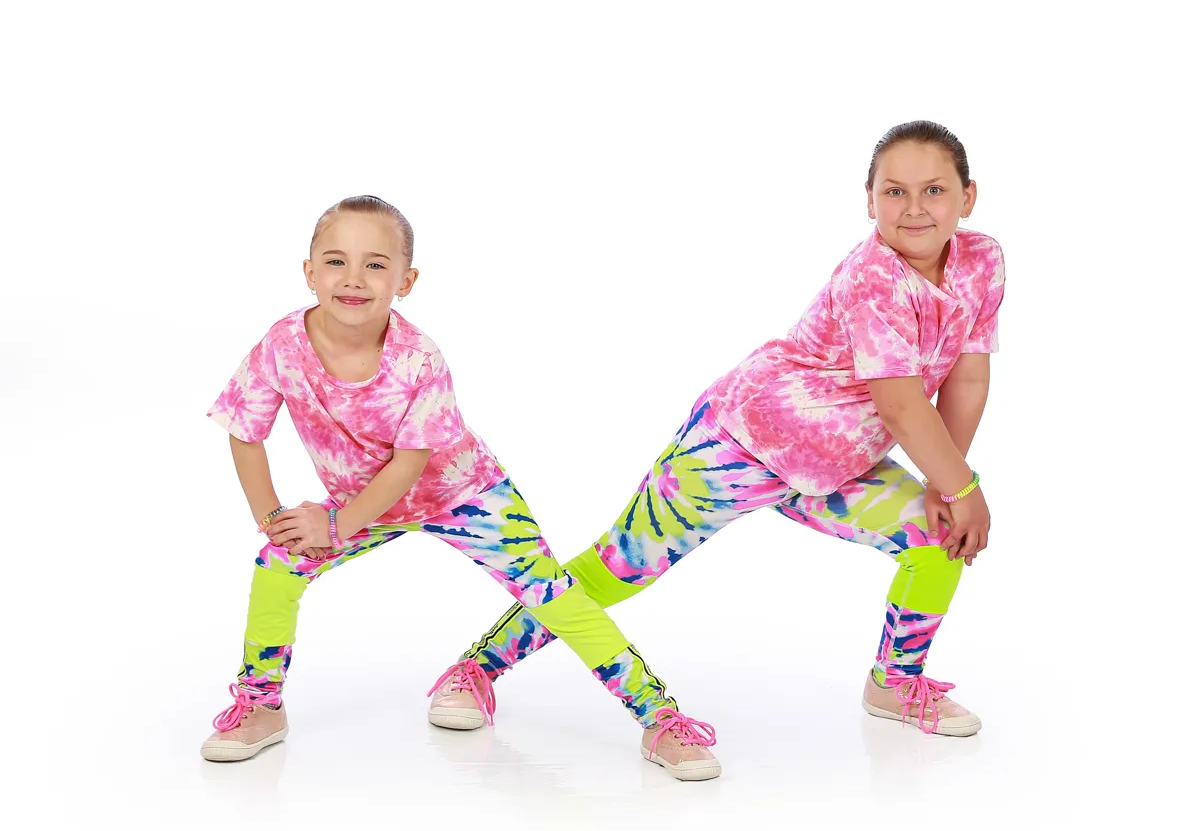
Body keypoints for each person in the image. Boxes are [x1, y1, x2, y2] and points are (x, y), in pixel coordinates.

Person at [437, 120, 1004, 741]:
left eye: (934, 191)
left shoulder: (981, 261)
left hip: (838, 465)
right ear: (868, 200)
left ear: (967, 197)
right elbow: (899, 404)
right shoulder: (875, 277)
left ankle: (894, 685)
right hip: (739, 445)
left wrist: (944, 486)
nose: (914, 208)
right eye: (894, 191)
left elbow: (967, 378)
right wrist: (961, 485)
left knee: (938, 538)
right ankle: (475, 670)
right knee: (617, 570)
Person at [199, 195, 720, 781]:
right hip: (364, 503)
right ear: (309, 272)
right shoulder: (282, 344)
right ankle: (262, 706)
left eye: (375, 264)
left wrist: (338, 525)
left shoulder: (419, 358)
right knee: (277, 565)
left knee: (553, 594)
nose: (353, 279)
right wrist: (276, 520)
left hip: (462, 494)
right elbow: (244, 431)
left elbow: (409, 465)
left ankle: (660, 718)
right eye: (336, 261)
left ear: (406, 280)